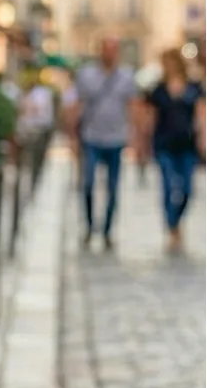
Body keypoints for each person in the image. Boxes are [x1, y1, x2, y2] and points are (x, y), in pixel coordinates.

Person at [64, 37, 138, 249]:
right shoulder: (86, 75)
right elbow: (76, 104)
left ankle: (107, 230)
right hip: (91, 137)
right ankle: (88, 226)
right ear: (100, 51)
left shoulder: (126, 76)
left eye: (113, 50)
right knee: (87, 184)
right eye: (106, 49)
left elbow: (132, 105)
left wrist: (134, 136)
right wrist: (71, 135)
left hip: (116, 139)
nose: (110, 54)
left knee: (113, 187)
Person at [144, 47, 205, 252]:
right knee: (169, 186)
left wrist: (203, 139)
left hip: (187, 145)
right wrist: (142, 143)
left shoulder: (193, 87)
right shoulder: (158, 90)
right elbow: (150, 118)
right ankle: (171, 226)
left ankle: (176, 221)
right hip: (164, 144)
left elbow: (200, 114)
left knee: (188, 189)